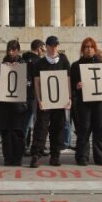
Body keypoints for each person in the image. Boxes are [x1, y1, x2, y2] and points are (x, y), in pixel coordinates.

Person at [29, 35, 71, 167]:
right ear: (46, 47)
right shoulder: (40, 63)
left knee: (58, 129)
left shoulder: (63, 60)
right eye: (51, 45)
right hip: (45, 102)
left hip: (60, 101)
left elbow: (67, 80)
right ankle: (36, 155)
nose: (54, 48)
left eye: (56, 45)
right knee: (41, 128)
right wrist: (39, 100)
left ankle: (55, 156)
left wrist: (69, 98)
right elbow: (37, 82)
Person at [69, 37, 102, 166]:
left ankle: (100, 157)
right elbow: (70, 83)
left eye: (91, 47)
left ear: (95, 49)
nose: (89, 49)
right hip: (83, 102)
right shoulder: (75, 65)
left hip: (99, 102)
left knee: (99, 129)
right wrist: (77, 85)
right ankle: (82, 156)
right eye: (86, 47)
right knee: (84, 129)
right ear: (82, 49)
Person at [0, 40, 31, 166]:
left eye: (13, 50)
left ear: (18, 50)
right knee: (6, 132)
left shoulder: (24, 64)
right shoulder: (2, 65)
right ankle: (8, 157)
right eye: (9, 50)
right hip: (5, 105)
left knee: (18, 132)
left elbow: (30, 83)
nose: (11, 52)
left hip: (19, 104)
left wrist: (24, 80)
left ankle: (17, 158)